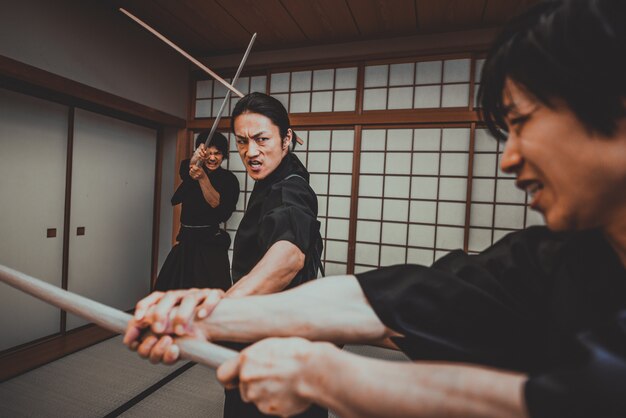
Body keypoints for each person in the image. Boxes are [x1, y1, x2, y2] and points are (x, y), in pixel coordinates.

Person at [125, 0, 626, 417]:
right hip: (274, 325)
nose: (508, 159)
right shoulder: (563, 258)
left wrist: (322, 372)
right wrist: (208, 315)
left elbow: (289, 258)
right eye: (242, 142)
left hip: (280, 332)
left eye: (521, 121)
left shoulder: (289, 187)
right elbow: (400, 299)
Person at [154, 132, 239, 292]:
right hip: (185, 243)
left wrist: (202, 178)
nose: (212, 158)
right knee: (171, 291)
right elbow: (187, 168)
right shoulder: (192, 170)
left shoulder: (229, 180)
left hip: (211, 245)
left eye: (217, 153)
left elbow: (217, 205)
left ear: (224, 155)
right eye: (208, 153)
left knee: (210, 295)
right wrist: (195, 159)